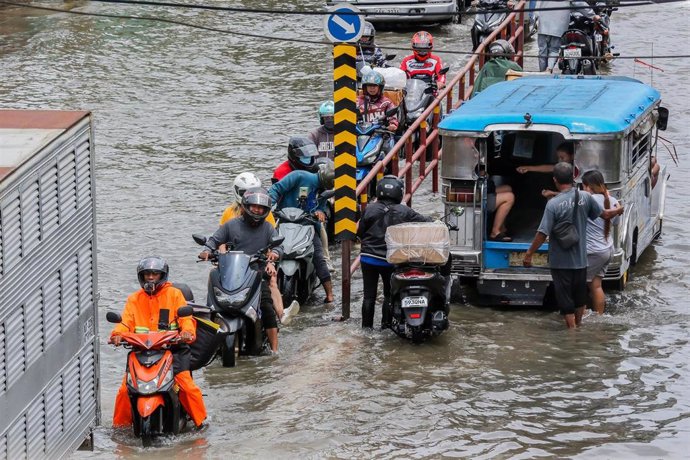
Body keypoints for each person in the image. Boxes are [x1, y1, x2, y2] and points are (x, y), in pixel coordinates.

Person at [523, 162, 623, 328]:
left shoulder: (553, 204)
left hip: (561, 261)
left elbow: (542, 233)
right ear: (573, 178)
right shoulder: (584, 197)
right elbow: (605, 215)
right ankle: (578, 328)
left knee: (565, 297)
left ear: (555, 180)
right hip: (581, 259)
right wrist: (619, 210)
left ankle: (572, 331)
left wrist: (529, 254)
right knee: (579, 296)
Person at [110, 256, 207, 428]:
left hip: (174, 351)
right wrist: (117, 334)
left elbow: (186, 319)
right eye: (147, 274)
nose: (150, 278)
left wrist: (186, 332)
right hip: (142, 353)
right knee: (125, 390)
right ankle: (120, 429)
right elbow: (125, 322)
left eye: (155, 274)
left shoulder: (175, 295)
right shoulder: (134, 299)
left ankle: (201, 425)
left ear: (162, 275)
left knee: (187, 387)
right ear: (141, 276)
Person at [198, 188, 283, 351]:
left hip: (256, 274)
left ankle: (275, 349)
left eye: (261, 208)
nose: (257, 210)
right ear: (246, 206)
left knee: (266, 306)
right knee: (213, 302)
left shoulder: (267, 228)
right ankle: (208, 341)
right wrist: (207, 250)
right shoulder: (231, 225)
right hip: (233, 273)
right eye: (254, 207)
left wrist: (274, 254)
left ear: (266, 211)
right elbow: (214, 240)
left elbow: (278, 246)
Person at [219, 172, 298, 325]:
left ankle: (281, 314)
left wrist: (270, 262)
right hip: (234, 261)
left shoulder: (265, 214)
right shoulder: (228, 213)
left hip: (259, 259)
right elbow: (220, 238)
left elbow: (270, 241)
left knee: (272, 280)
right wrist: (221, 258)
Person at [357, 175, 429, 329]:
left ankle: (366, 328)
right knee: (389, 295)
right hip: (390, 260)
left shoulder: (369, 209)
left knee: (369, 296)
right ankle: (386, 326)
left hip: (367, 259)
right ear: (399, 192)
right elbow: (425, 222)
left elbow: (360, 233)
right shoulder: (405, 211)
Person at [269, 161, 336, 303]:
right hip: (285, 222)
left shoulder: (323, 192)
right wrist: (268, 206)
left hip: (307, 226)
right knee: (266, 253)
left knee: (319, 256)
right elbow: (276, 189)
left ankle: (329, 294)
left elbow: (322, 208)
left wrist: (320, 212)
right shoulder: (298, 176)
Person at [581, 169, 621, 315]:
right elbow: (616, 222)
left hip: (593, 251)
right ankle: (599, 316)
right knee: (596, 285)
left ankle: (581, 316)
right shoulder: (613, 201)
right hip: (607, 249)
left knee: (578, 284)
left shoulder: (586, 200)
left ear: (587, 187)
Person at [536, 1, 598, 72]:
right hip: (558, 25)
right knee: (554, 49)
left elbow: (536, 7)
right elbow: (579, 3)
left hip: (543, 24)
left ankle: (542, 72)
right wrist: (593, 15)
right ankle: (549, 69)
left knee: (542, 50)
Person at [478, 165, 516, 242]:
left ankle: (501, 227)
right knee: (509, 197)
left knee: (508, 188)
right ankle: (495, 232)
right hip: (479, 195)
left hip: (486, 190)